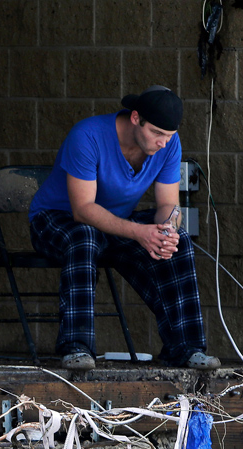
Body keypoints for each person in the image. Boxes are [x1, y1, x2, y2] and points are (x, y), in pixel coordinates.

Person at [29, 85, 220, 372]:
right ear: (135, 118)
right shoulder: (88, 136)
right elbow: (82, 210)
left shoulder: (168, 144)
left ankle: (186, 348)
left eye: (169, 136)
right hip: (57, 220)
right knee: (85, 238)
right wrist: (140, 232)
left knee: (179, 241)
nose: (163, 143)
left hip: (112, 226)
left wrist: (168, 229)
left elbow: (169, 203)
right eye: (156, 133)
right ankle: (76, 348)